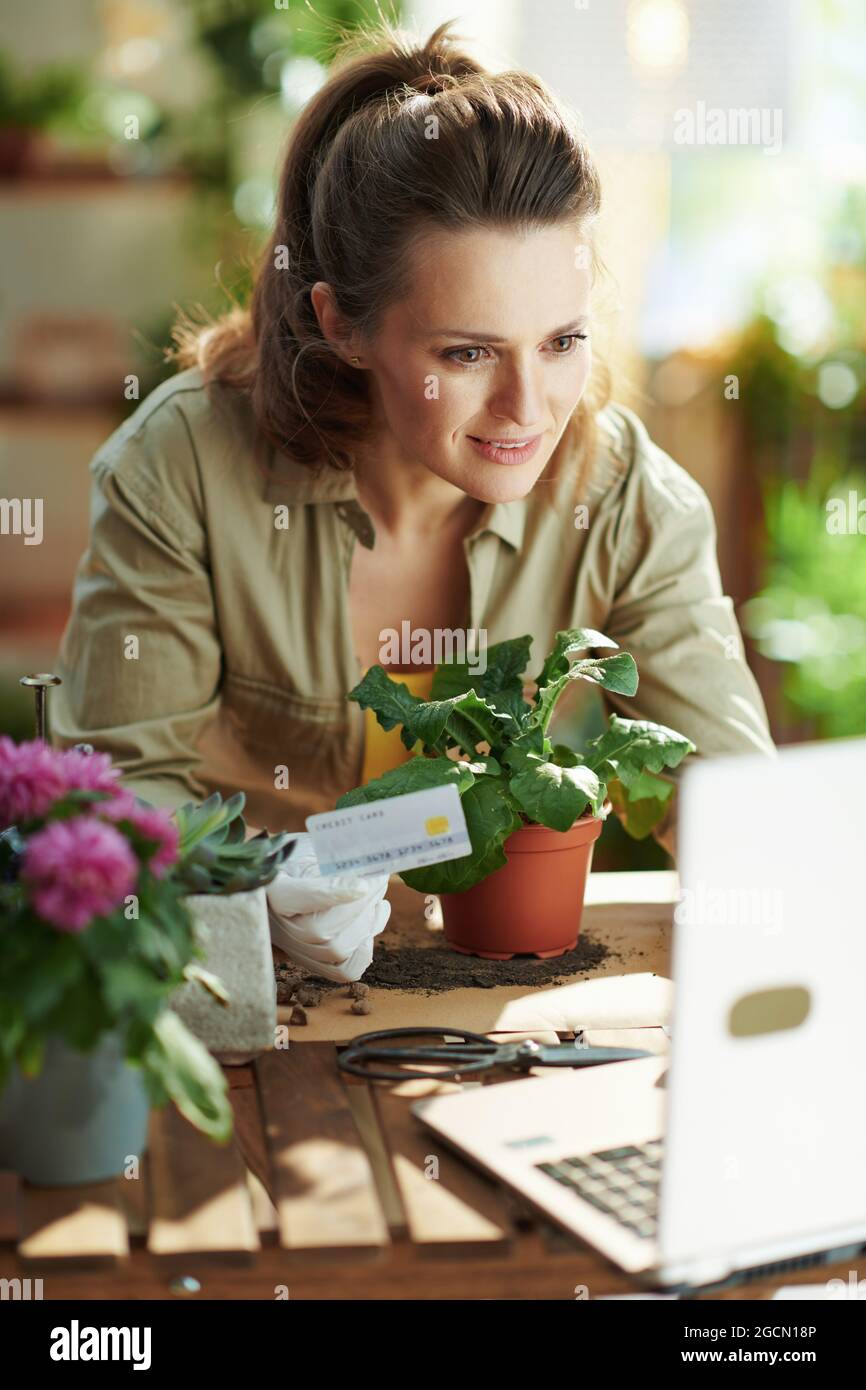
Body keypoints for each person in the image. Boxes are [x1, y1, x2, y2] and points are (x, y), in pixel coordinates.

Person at [50, 19, 775, 874]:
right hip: (244, 964)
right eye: (467, 353)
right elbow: (122, 791)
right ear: (343, 324)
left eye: (561, 342)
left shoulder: (624, 496)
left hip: (494, 963)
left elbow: (731, 803)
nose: (526, 409)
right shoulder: (179, 469)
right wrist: (285, 888)